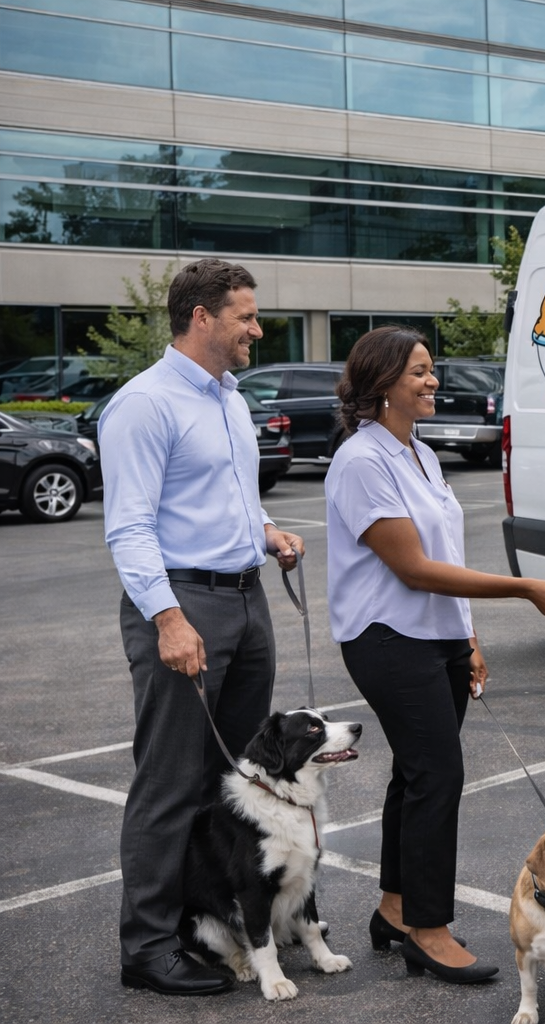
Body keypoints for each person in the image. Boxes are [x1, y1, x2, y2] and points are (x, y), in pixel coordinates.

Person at [325, 326, 545, 984]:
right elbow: (413, 569)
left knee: (415, 776)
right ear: (382, 384)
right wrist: (522, 587)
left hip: (437, 636)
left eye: (431, 368)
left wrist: (467, 639)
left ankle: (394, 909)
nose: (432, 380)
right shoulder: (361, 461)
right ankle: (427, 930)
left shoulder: (421, 454)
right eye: (418, 371)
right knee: (437, 775)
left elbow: (447, 557)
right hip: (386, 637)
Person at [102, 258, 304, 996]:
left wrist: (267, 532)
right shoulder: (144, 403)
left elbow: (228, 495)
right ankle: (148, 946)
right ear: (201, 318)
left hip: (247, 598)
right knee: (172, 781)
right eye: (246, 316)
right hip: (184, 605)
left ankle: (227, 921)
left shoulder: (229, 397)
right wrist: (168, 618)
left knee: (238, 779)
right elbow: (129, 527)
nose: (257, 329)